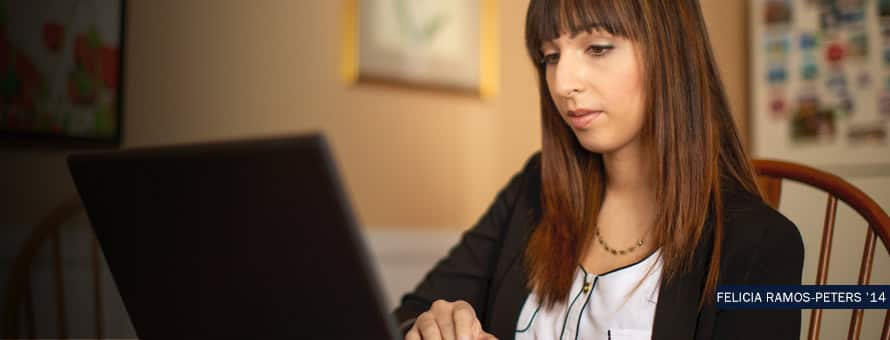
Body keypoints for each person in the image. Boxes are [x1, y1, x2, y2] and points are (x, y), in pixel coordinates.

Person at [394, 0, 804, 339]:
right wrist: (430, 327)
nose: (562, 83)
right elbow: (404, 316)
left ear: (671, 53)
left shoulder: (760, 245)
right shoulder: (532, 190)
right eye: (551, 56)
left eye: (598, 48)